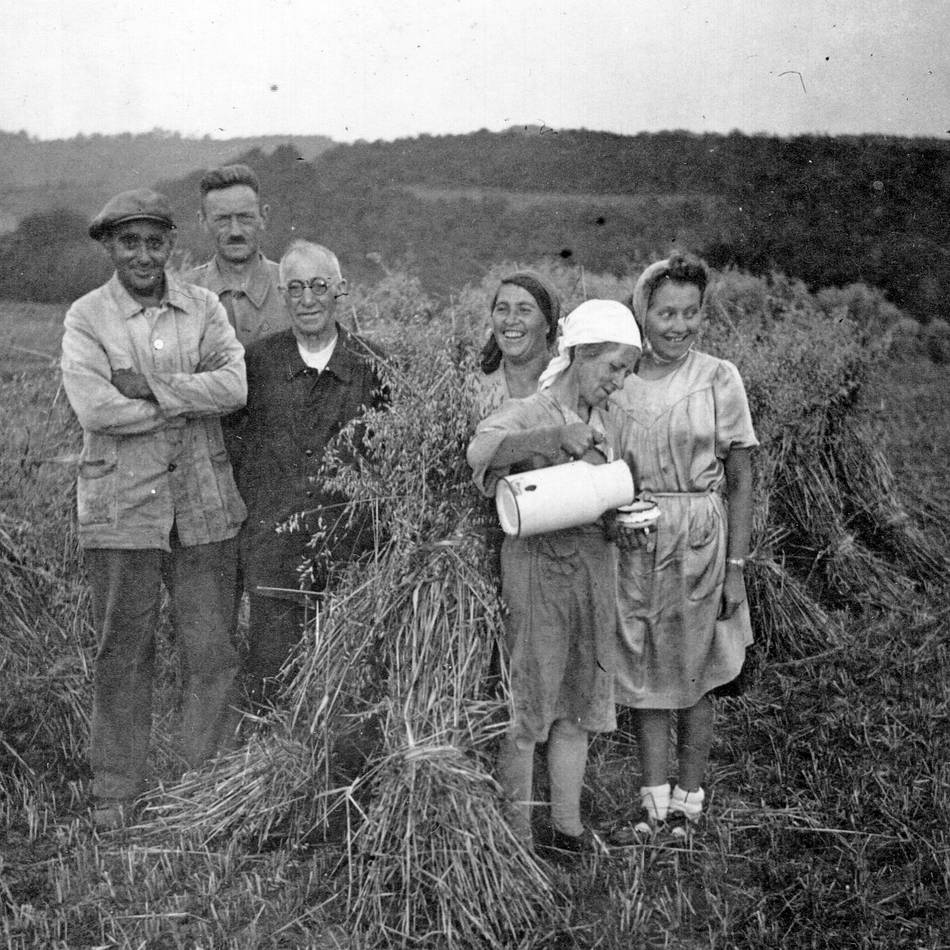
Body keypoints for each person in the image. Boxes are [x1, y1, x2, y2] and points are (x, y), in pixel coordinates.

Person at [61, 188, 247, 829]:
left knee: (212, 649)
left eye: (155, 241)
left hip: (201, 504)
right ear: (111, 247)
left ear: (172, 245)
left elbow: (235, 386)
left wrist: (151, 386)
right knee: (124, 651)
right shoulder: (87, 318)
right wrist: (186, 397)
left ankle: (203, 779)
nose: (143, 254)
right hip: (122, 509)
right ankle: (116, 789)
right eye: (129, 242)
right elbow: (96, 409)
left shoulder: (202, 307)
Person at [467, 299, 642, 854]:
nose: (618, 382)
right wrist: (548, 440)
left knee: (581, 703)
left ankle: (566, 830)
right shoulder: (530, 411)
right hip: (538, 573)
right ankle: (515, 837)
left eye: (625, 372)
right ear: (579, 354)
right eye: (612, 367)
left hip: (592, 571)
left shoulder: (605, 425)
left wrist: (622, 524)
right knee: (530, 704)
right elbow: (479, 450)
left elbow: (595, 500)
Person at [610, 252, 757, 842]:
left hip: (700, 535)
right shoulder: (618, 377)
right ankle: (653, 805)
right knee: (645, 667)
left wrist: (736, 569)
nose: (678, 325)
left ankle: (689, 806)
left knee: (696, 671)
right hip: (636, 536)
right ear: (643, 311)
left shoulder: (718, 376)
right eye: (666, 312)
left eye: (690, 313)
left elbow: (743, 475)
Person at [226, 240, 386, 707]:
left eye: (319, 285)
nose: (308, 299)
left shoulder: (374, 365)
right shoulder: (255, 364)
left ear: (341, 290)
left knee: (344, 687)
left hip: (352, 555)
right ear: (281, 294)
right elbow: (233, 450)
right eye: (295, 288)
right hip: (274, 553)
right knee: (272, 680)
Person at [185, 164, 291, 346]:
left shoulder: (294, 288)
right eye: (222, 219)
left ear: (263, 217)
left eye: (245, 218)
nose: (235, 231)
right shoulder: (181, 294)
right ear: (202, 221)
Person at [477, 270, 560, 410]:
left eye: (524, 310)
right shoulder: (476, 391)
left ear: (548, 323)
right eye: (502, 309)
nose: (510, 320)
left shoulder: (568, 384)